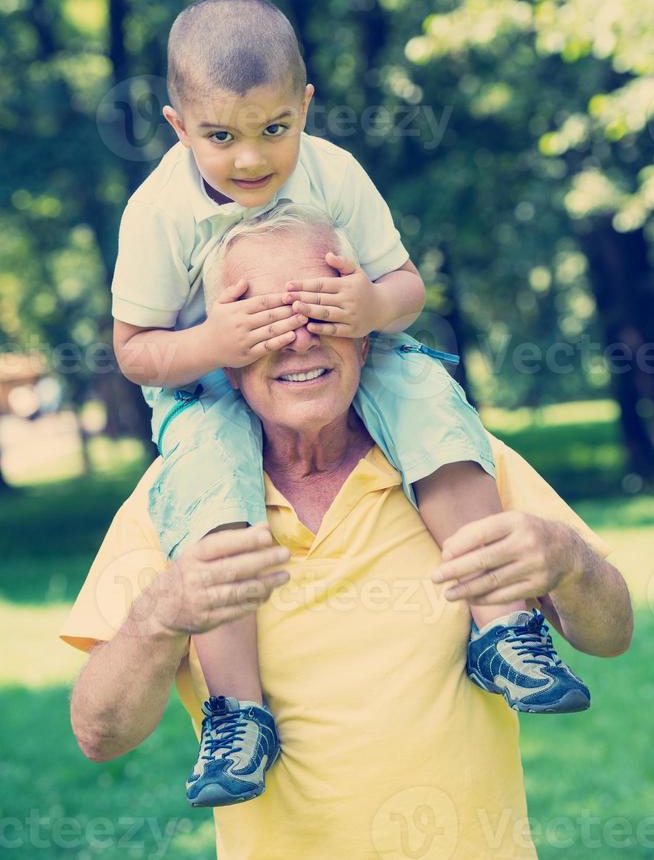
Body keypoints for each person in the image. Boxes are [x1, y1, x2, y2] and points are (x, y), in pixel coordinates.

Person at [111, 0, 589, 808]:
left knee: (432, 399)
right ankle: (238, 714)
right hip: (210, 385)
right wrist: (215, 348)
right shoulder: (160, 212)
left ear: (304, 106)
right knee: (213, 492)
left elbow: (406, 284)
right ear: (177, 124)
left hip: (352, 349)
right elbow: (134, 351)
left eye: (274, 129)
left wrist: (372, 308)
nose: (252, 158)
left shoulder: (335, 173)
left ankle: (504, 626)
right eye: (221, 136)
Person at [63, 217, 632, 860]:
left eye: (323, 312)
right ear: (221, 354)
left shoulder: (459, 464)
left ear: (366, 336)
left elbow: (611, 636)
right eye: (265, 322)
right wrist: (158, 617)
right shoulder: (176, 501)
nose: (298, 342)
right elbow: (98, 735)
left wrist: (568, 560)